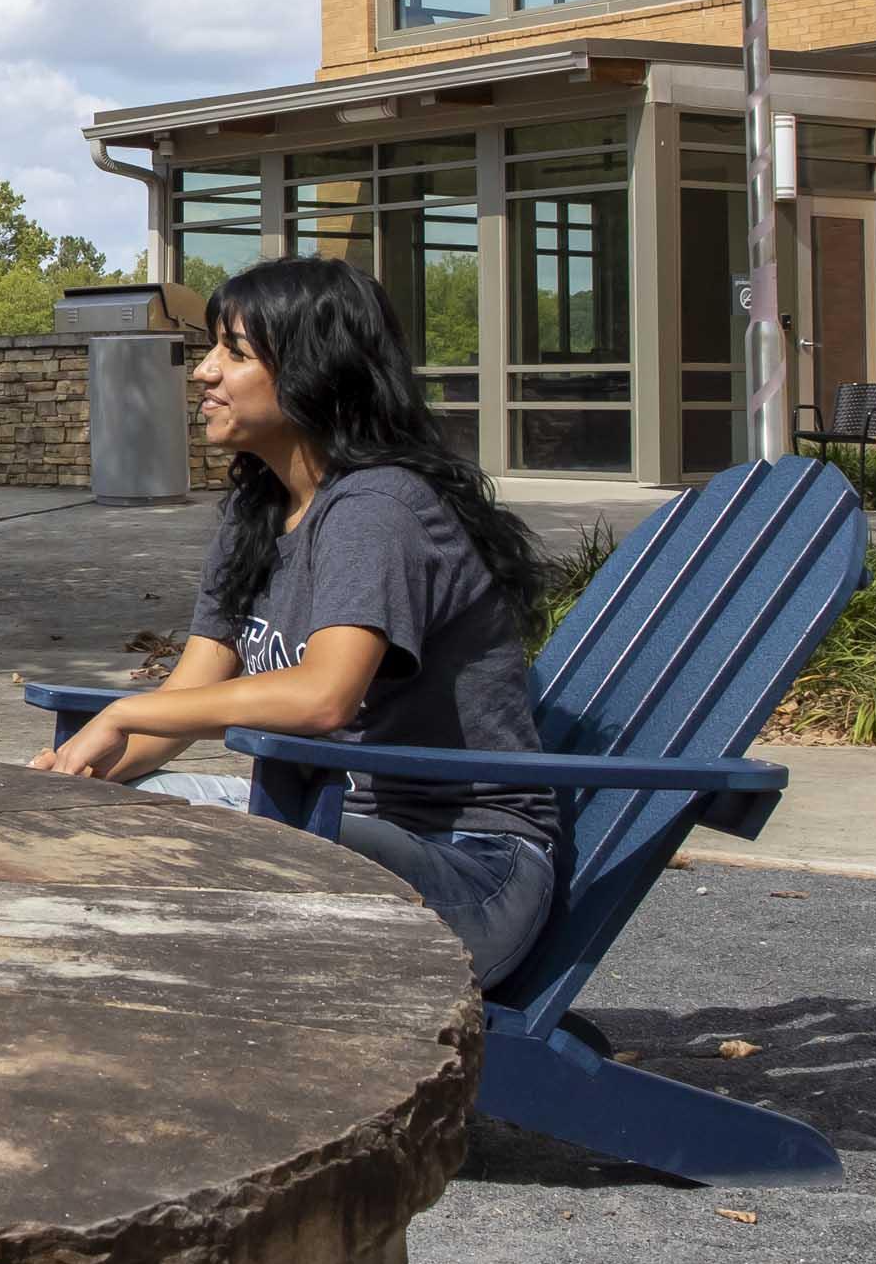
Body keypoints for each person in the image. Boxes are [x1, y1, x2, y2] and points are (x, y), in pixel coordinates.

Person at [30, 256, 558, 987]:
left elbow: (322, 696)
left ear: (316, 372)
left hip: (468, 872)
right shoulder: (259, 512)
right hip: (336, 827)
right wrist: (78, 780)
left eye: (234, 353)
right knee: (104, 820)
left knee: (175, 853)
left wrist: (126, 709)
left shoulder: (376, 510)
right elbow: (185, 702)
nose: (202, 374)